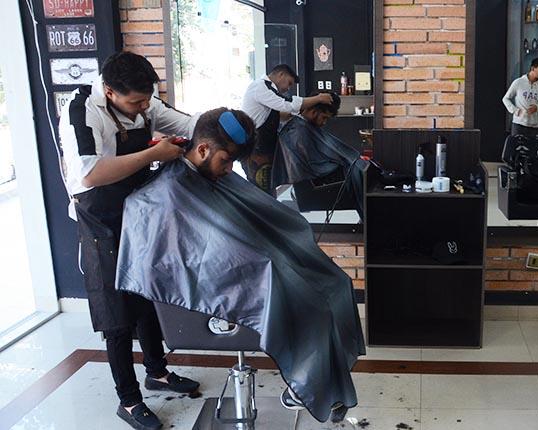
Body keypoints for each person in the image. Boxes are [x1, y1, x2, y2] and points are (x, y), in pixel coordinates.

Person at [116, 107, 366, 424]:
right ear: (203, 149)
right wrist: (266, 261)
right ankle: (308, 385)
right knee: (311, 302)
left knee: (336, 283)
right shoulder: (162, 195)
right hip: (223, 287)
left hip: (251, 267)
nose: (228, 170)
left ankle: (322, 380)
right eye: (226, 161)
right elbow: (198, 256)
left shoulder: (204, 175)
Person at [59, 51, 200, 430]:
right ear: (109, 91)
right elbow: (90, 173)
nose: (143, 109)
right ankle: (129, 399)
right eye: (136, 102)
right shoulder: (81, 110)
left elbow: (191, 122)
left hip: (135, 211)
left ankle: (157, 371)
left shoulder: (145, 103)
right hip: (99, 219)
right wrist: (153, 152)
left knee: (147, 295)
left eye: (146, 100)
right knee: (117, 315)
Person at [272, 91, 367, 219]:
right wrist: (344, 160)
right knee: (359, 173)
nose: (324, 123)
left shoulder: (302, 126)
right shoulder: (298, 131)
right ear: (313, 111)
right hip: (315, 186)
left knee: (359, 169)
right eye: (324, 117)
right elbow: (311, 166)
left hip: (320, 177)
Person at [240, 64, 334, 193]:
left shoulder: (268, 93)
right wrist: (318, 98)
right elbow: (287, 105)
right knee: (263, 192)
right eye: (289, 83)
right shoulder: (260, 88)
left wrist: (298, 115)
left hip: (263, 148)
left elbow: (281, 115)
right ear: (281, 75)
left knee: (268, 190)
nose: (287, 88)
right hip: (255, 151)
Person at [502, 57, 538, 137]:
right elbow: (505, 98)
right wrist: (515, 110)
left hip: (535, 127)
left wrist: (537, 108)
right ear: (533, 68)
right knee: (516, 145)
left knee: (534, 145)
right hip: (518, 124)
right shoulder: (518, 82)